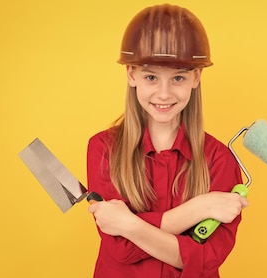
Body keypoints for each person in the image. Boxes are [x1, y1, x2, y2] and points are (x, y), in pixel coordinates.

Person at [86, 4, 249, 277]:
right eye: (151, 77)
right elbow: (120, 250)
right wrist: (200, 207)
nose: (164, 94)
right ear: (131, 75)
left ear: (196, 78)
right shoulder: (104, 149)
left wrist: (128, 225)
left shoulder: (220, 159)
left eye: (178, 78)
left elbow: (203, 259)